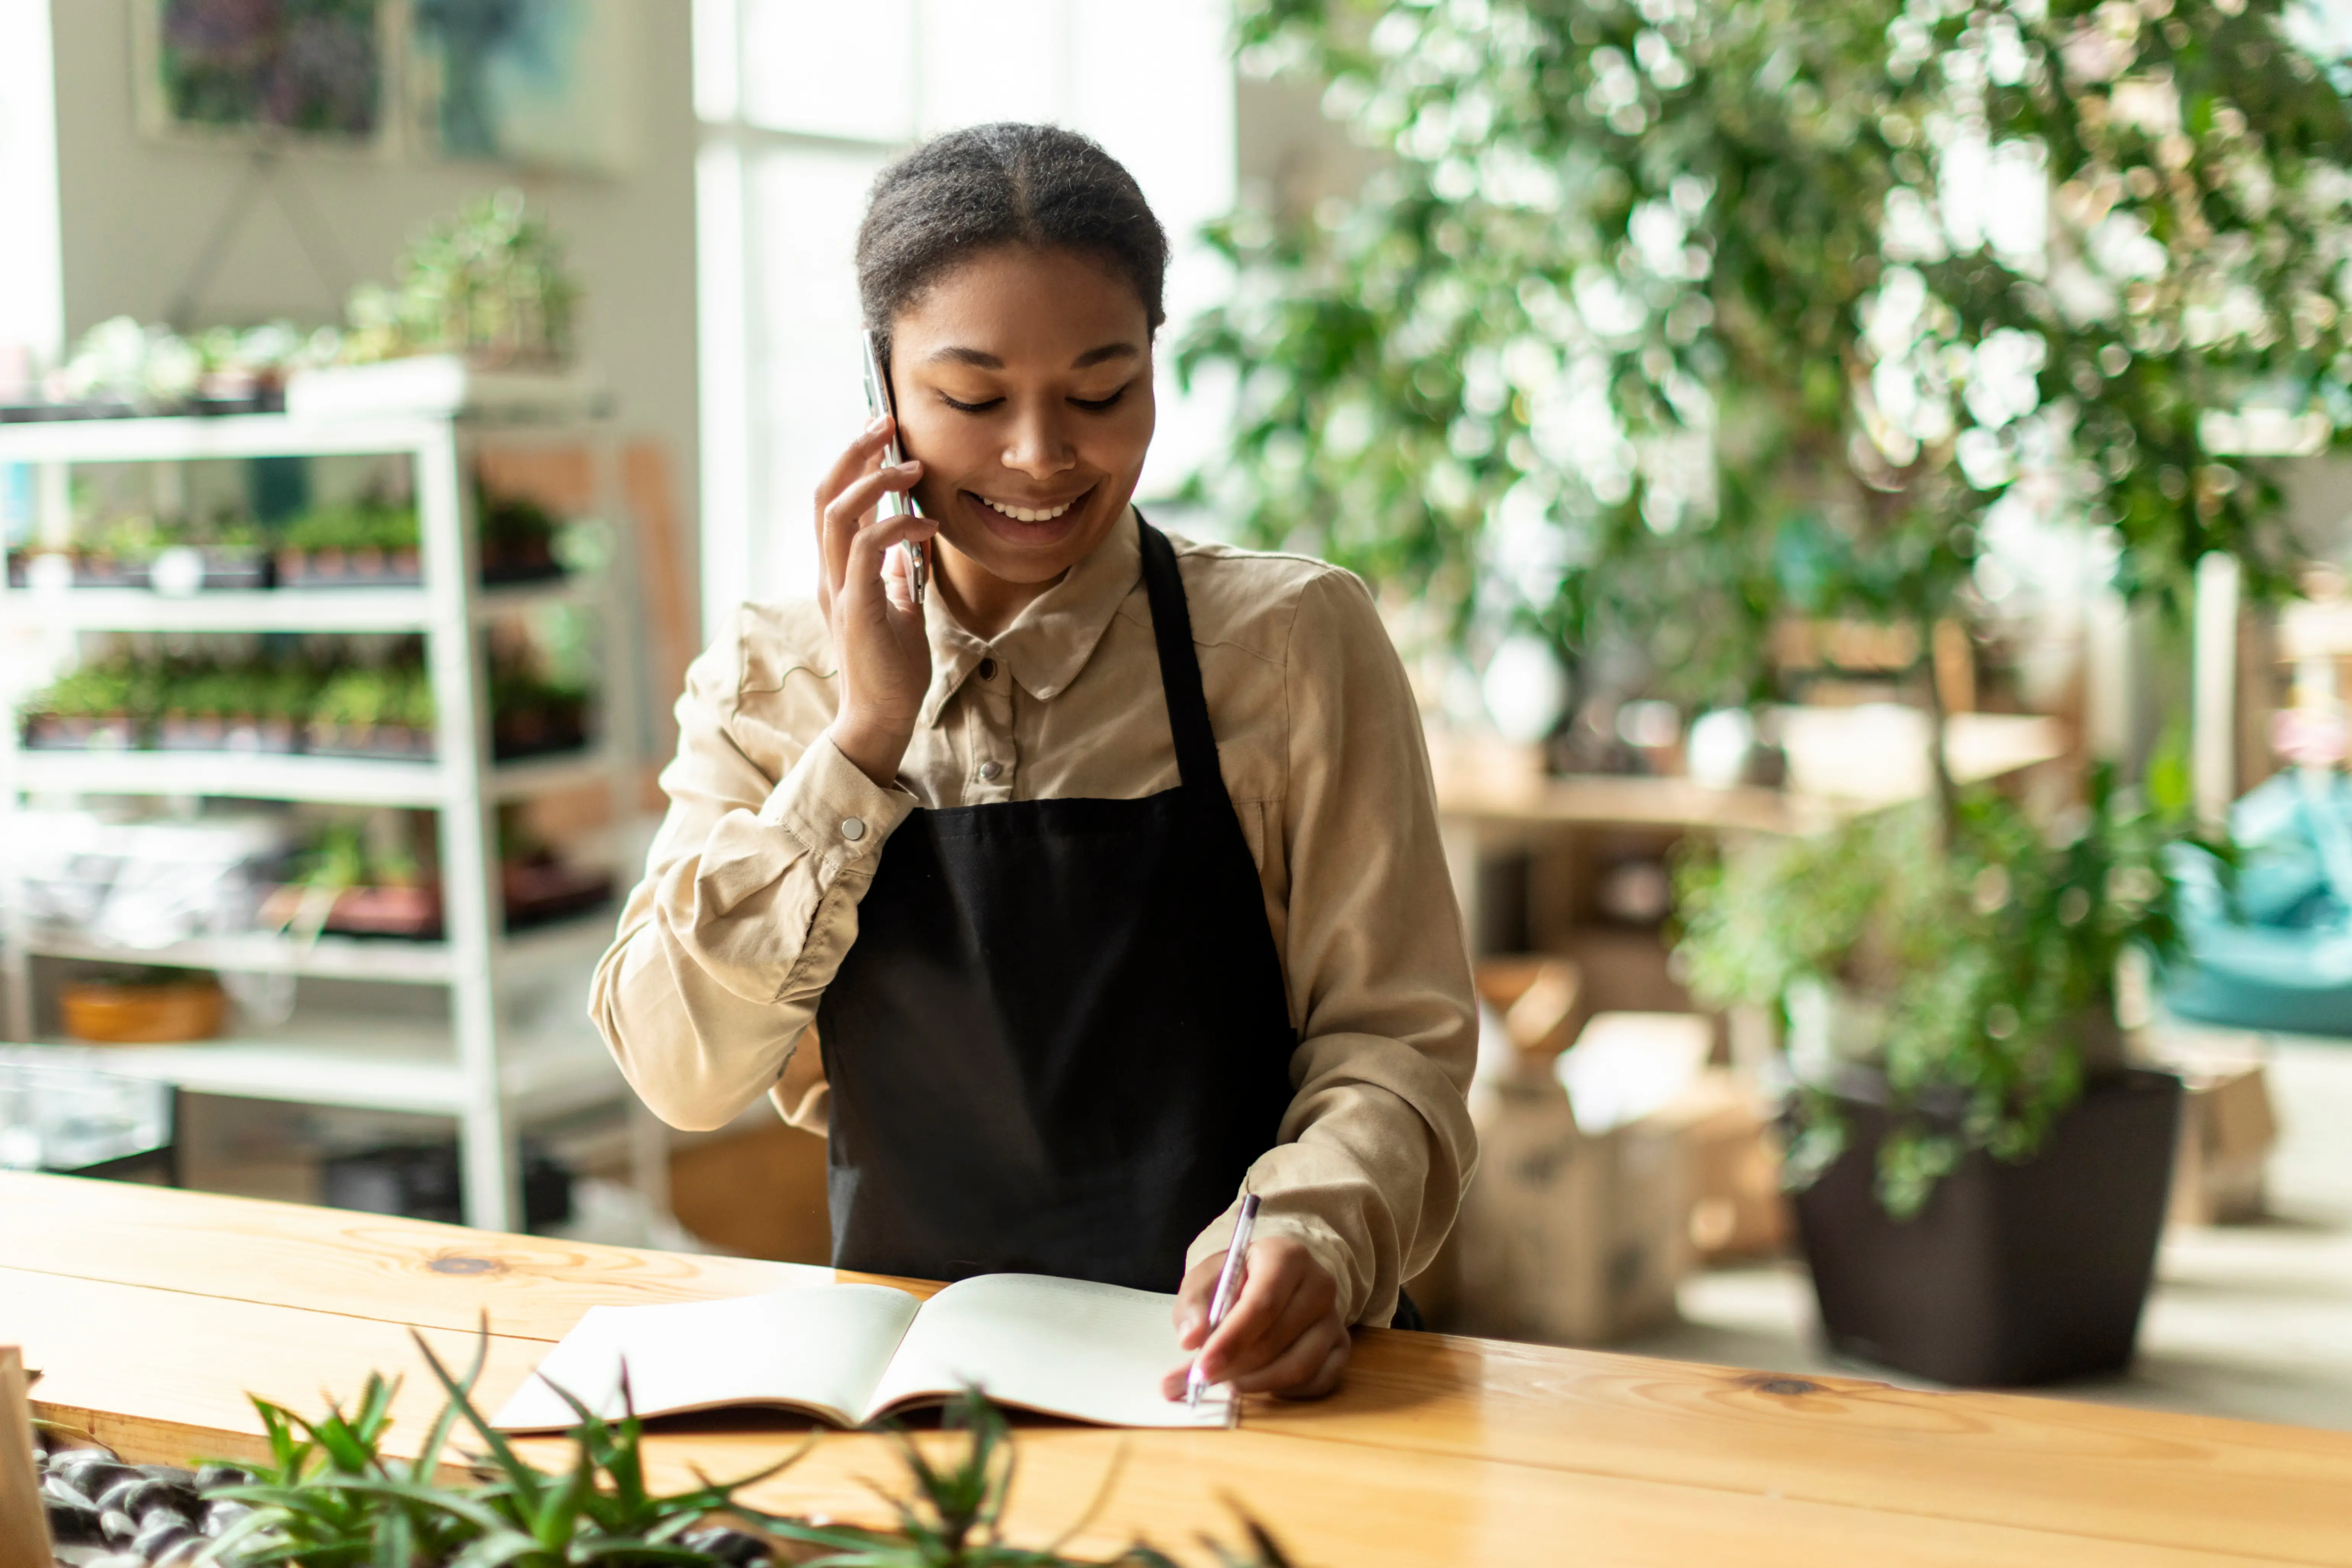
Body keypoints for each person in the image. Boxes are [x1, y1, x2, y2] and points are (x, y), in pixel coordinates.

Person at [592, 123, 1477, 1402]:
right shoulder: (773, 680)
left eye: (1101, 392)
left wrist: (1312, 1232)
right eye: (971, 397)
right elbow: (679, 1072)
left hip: (1242, 1382)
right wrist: (862, 741)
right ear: (880, 389)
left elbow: (1398, 1042)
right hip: (913, 1402)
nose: (1041, 455)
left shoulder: (1290, 645)